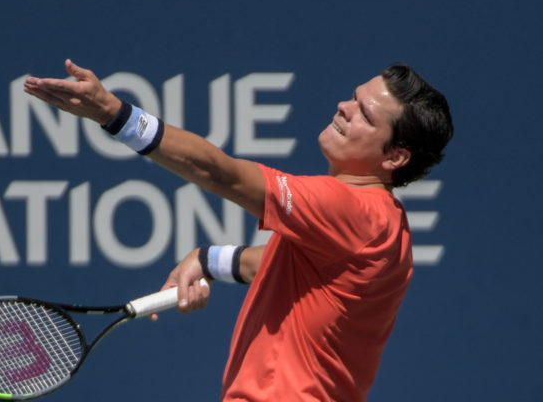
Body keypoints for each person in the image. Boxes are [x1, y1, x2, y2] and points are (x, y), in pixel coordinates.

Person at [24, 59, 453, 401]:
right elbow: (287, 266)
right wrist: (209, 260)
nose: (345, 107)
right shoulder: (387, 225)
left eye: (364, 114)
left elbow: (219, 173)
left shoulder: (349, 208)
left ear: (395, 157)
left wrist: (114, 114)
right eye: (354, 98)